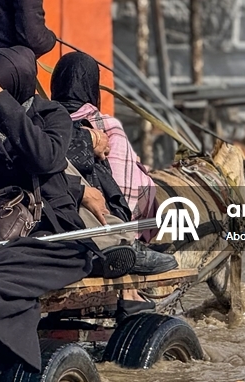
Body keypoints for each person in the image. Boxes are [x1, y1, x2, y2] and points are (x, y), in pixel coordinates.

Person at [0, 47, 134, 373]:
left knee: (15, 259)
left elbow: (45, 158)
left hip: (57, 234)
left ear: (16, 89)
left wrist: (2, 104)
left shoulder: (52, 117)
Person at [50, 51, 176, 316]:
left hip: (52, 221)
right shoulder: (105, 125)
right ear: (92, 86)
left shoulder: (42, 120)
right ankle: (128, 281)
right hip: (101, 226)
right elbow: (125, 187)